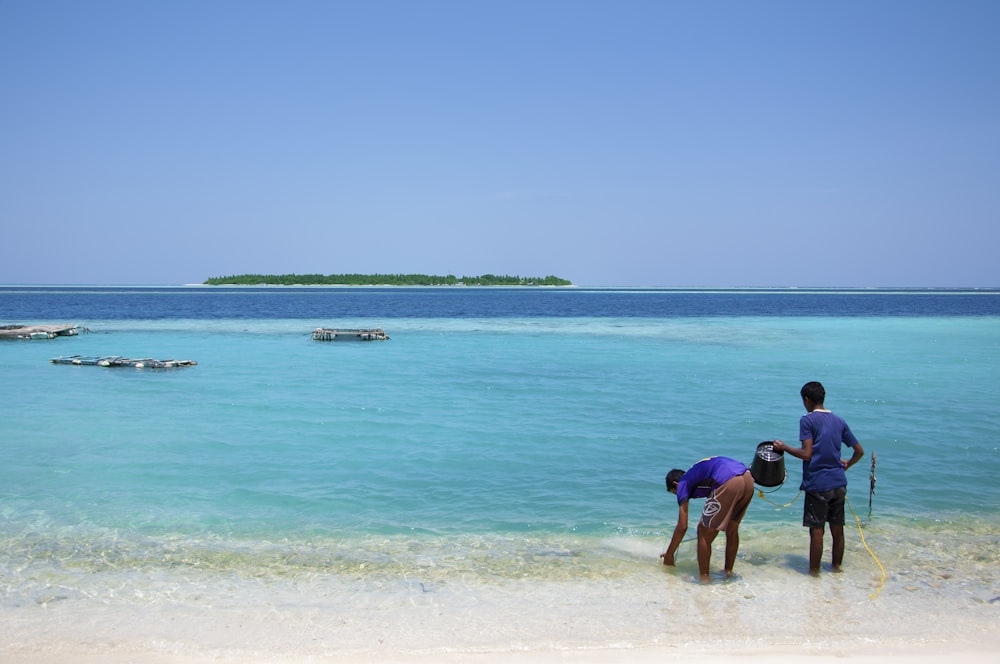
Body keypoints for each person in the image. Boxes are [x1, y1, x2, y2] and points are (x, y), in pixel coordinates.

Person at [772, 381, 865, 575]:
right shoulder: (839, 421)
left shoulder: (807, 420)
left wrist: (784, 447)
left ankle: (814, 573)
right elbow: (859, 451)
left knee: (817, 530)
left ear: (807, 399)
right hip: (839, 483)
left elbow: (807, 454)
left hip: (818, 483)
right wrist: (847, 464)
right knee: (837, 529)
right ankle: (836, 568)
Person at [660, 456, 755, 582]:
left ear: (675, 484)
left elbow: (682, 526)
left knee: (703, 531)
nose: (679, 495)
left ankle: (704, 578)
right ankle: (728, 572)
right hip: (748, 479)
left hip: (729, 480)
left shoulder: (683, 483)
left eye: (675, 493)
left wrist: (670, 554)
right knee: (732, 528)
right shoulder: (695, 475)